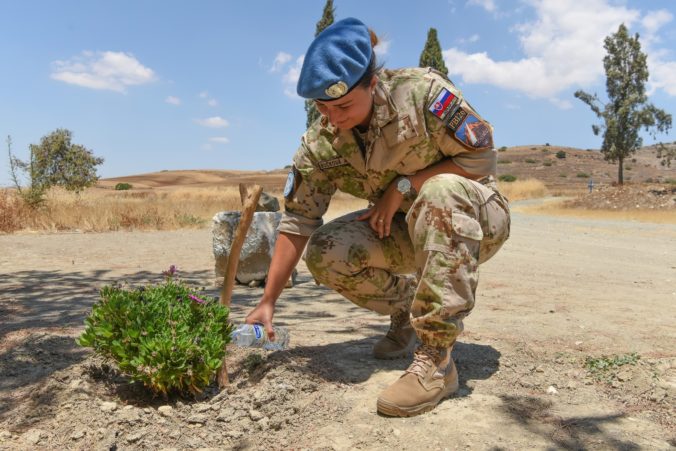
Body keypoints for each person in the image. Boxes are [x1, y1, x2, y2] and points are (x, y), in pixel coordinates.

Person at [245, 17, 510, 417]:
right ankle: (406, 311)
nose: (332, 118)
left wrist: (405, 185)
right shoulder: (321, 142)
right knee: (327, 251)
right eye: (322, 107)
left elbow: (481, 157)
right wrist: (268, 301)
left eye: (343, 106)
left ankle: (437, 361)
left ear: (372, 82)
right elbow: (298, 221)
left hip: (474, 217)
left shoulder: (422, 94)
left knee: (439, 191)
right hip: (405, 230)